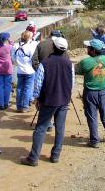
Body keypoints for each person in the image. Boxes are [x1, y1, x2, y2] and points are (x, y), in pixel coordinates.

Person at [21, 37, 74, 166]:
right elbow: (71, 82)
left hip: (48, 100)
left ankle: (33, 158)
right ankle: (55, 155)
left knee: (40, 129)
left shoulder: (45, 63)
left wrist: (37, 98)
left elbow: (38, 84)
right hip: (63, 100)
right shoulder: (69, 64)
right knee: (60, 129)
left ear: (53, 47)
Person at [76, 39, 105, 148]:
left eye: (89, 47)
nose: (87, 49)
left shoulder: (85, 62)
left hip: (90, 92)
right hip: (103, 91)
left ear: (93, 50)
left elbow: (78, 70)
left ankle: (94, 140)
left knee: (91, 116)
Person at [11, 30, 38, 112]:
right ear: (28, 38)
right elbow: (33, 59)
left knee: (19, 88)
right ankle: (25, 106)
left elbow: (13, 59)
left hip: (19, 71)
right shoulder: (30, 47)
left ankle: (19, 107)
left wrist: (19, 63)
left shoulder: (15, 46)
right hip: (29, 70)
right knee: (27, 89)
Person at [0, 32, 13, 110]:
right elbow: (12, 43)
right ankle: (6, 103)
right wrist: (9, 40)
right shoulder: (9, 47)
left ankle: (0, 104)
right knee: (7, 86)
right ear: (6, 39)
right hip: (8, 68)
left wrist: (1, 40)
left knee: (0, 87)